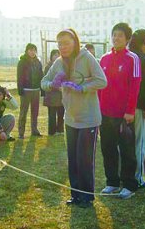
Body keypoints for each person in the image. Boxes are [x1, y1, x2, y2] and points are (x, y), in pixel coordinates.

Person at [41, 28, 107, 208]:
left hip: (88, 119)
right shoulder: (59, 63)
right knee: (73, 158)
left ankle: (87, 196)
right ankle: (76, 195)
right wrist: (52, 84)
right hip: (70, 118)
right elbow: (43, 82)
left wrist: (82, 86)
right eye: (60, 44)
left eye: (66, 43)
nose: (63, 47)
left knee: (85, 159)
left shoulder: (87, 58)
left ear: (75, 42)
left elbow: (102, 80)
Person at [98, 23, 142, 199]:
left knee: (127, 151)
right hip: (105, 113)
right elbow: (100, 86)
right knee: (107, 148)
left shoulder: (133, 58)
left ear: (128, 39)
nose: (116, 38)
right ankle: (112, 182)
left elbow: (135, 86)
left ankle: (129, 184)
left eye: (120, 35)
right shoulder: (104, 58)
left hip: (124, 115)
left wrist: (130, 111)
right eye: (114, 34)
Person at [128, 29, 145, 188]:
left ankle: (127, 175)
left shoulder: (127, 56)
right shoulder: (141, 59)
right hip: (137, 107)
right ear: (144, 42)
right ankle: (138, 177)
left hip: (124, 108)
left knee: (126, 144)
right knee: (139, 143)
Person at [17, 43, 43, 138]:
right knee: (23, 112)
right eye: (30, 50)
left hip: (36, 90)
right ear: (27, 51)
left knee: (35, 112)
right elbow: (19, 77)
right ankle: (21, 132)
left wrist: (42, 89)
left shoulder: (38, 62)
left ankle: (34, 130)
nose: (32, 52)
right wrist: (20, 89)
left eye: (34, 50)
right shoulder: (22, 62)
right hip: (26, 90)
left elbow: (41, 75)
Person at [43, 49, 65, 135]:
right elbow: (47, 80)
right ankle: (52, 131)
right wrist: (56, 86)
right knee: (52, 114)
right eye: (54, 55)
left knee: (61, 113)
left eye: (58, 55)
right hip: (51, 94)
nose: (56, 57)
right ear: (51, 57)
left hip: (61, 95)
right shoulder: (48, 67)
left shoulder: (63, 66)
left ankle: (60, 130)